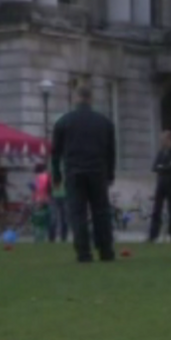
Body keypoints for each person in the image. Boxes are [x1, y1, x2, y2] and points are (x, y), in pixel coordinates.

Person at [51, 84, 117, 263]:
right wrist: (110, 174)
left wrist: (56, 175)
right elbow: (111, 151)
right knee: (101, 212)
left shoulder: (64, 122)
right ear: (91, 99)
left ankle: (83, 252)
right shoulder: (104, 122)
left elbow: (55, 152)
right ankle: (105, 250)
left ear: (76, 99)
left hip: (74, 172)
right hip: (97, 171)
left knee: (77, 213)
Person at [148, 130, 171, 243]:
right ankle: (153, 235)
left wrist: (162, 167)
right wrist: (167, 166)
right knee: (156, 209)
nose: (162, 142)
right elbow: (154, 167)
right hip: (161, 183)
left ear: (169, 140)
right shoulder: (161, 152)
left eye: (164, 140)